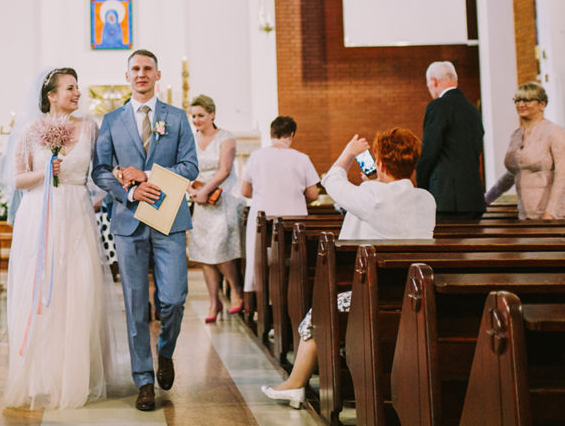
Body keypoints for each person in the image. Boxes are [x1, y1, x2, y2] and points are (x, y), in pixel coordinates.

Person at [263, 128, 436, 408]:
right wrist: (376, 182)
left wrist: (349, 153)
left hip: (371, 296)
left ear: (379, 164)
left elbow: (331, 180)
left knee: (318, 313)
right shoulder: (426, 199)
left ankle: (295, 384)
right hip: (414, 293)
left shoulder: (371, 195)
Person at [3, 67, 117, 409]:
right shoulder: (29, 130)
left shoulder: (89, 127)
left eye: (77, 87)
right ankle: (43, 375)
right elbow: (18, 179)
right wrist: (44, 172)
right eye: (70, 88)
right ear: (51, 95)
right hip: (38, 217)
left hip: (77, 214)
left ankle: (76, 375)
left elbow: (100, 171)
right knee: (40, 293)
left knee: (79, 288)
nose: (77, 93)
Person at [92, 49, 199, 412]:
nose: (141, 74)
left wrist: (149, 176)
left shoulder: (177, 117)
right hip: (128, 220)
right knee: (136, 304)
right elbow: (101, 169)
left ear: (158, 74)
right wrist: (130, 190)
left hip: (169, 219)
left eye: (147, 69)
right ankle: (144, 380)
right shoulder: (111, 120)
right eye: (135, 69)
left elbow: (190, 166)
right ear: (127, 76)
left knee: (173, 298)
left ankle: (165, 351)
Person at [240, 116, 319, 299]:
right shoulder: (301, 158)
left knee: (260, 260)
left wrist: (265, 193)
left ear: (271, 133)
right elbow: (313, 194)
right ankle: (293, 298)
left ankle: (260, 300)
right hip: (293, 221)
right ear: (291, 135)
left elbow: (245, 191)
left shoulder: (257, 156)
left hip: (263, 218)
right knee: (291, 262)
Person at [186, 94, 245, 321]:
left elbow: (225, 170)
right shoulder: (191, 139)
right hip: (201, 202)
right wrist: (191, 190)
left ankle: (236, 292)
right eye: (193, 116)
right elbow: (187, 168)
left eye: (201, 115)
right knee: (204, 253)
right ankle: (214, 303)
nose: (197, 120)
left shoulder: (226, 138)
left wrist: (204, 191)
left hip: (223, 200)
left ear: (212, 114)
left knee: (221, 248)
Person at [484, 82, 565, 219]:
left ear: (542, 104)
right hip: (527, 213)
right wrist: (487, 199)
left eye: (527, 100)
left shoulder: (555, 132)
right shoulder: (516, 135)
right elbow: (511, 174)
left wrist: (550, 213)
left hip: (556, 214)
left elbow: (563, 176)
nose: (521, 104)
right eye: (518, 100)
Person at [415, 60, 486, 220]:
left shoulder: (438, 106)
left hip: (446, 200)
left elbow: (429, 152)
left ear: (433, 81)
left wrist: (421, 191)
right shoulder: (472, 109)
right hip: (473, 199)